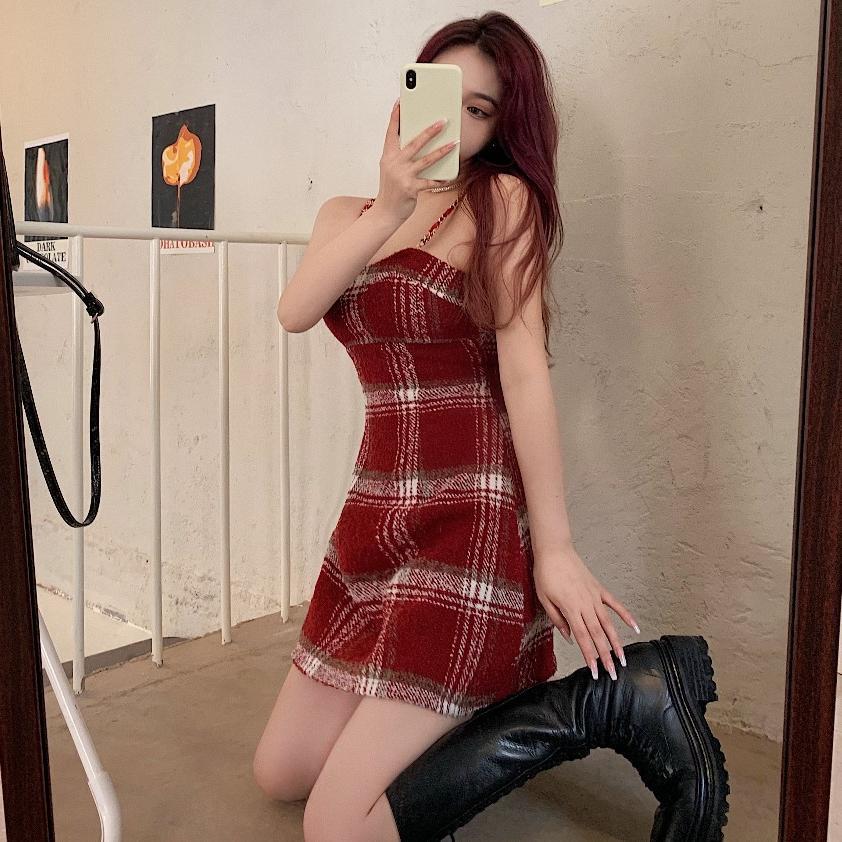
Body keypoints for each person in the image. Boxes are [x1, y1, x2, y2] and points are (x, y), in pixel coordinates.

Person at [254, 12, 729, 842]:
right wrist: (390, 204)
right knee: (281, 773)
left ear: (502, 127)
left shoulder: (501, 201)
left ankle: (603, 703)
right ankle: (464, 698)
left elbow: (525, 373)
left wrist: (555, 549)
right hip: (374, 516)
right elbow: (296, 311)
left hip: (467, 517)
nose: (457, 122)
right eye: (441, 94)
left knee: (334, 829)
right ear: (409, 92)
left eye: (480, 110)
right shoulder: (346, 214)